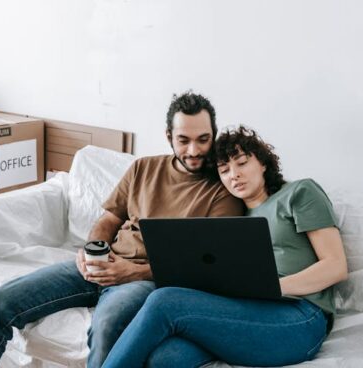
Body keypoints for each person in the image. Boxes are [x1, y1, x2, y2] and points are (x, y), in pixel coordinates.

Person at [0, 92, 243, 368]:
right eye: (184, 140)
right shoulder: (144, 168)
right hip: (102, 263)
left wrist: (134, 272)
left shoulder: (223, 191)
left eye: (203, 140)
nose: (194, 151)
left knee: (105, 328)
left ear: (213, 135)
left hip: (144, 280)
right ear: (169, 137)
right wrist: (92, 249)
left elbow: (206, 263)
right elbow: (109, 218)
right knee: (1, 301)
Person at [103, 126, 349, 368]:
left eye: (242, 163)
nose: (234, 174)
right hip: (247, 312)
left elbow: (336, 266)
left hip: (300, 317)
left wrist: (270, 288)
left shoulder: (299, 192)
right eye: (224, 169)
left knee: (164, 300)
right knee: (165, 358)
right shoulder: (235, 219)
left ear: (263, 163)